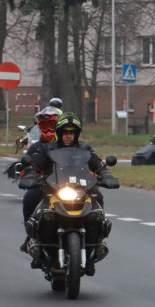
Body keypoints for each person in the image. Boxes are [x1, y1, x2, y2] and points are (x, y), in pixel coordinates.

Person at [21, 112, 114, 263]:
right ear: (59, 133)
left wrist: (107, 175)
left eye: (71, 133)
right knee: (30, 197)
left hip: (81, 188)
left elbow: (97, 164)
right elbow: (34, 163)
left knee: (98, 197)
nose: (68, 136)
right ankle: (31, 237)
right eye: (65, 133)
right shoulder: (47, 148)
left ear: (76, 134)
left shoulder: (85, 149)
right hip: (52, 188)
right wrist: (31, 174)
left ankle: (98, 240)